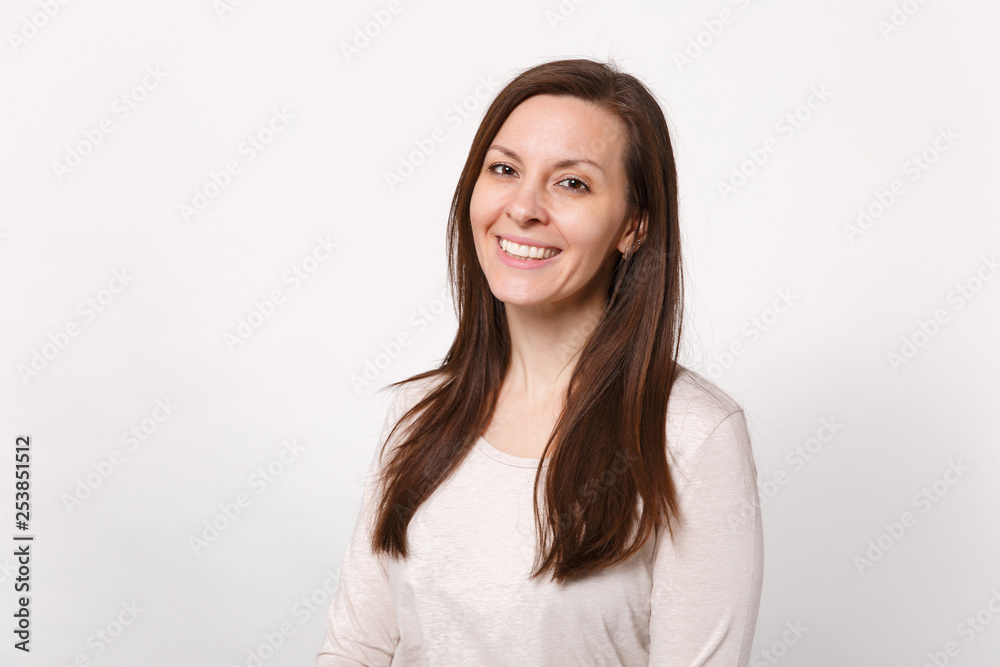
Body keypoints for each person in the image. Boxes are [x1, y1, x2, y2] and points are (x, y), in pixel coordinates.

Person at [317, 57, 763, 666]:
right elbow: (356, 651)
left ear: (633, 225)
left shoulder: (692, 435)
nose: (523, 207)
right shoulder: (418, 415)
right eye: (504, 169)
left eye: (572, 182)